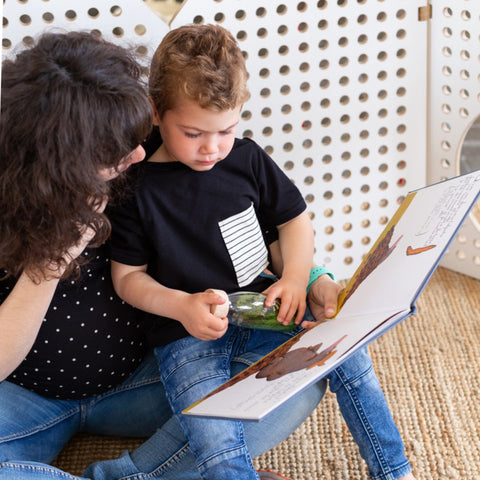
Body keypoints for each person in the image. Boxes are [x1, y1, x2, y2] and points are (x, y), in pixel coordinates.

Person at [0, 30, 335, 480]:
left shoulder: (141, 142)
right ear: (64, 161)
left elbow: (243, 221)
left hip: (148, 374)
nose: (139, 151)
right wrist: (51, 262)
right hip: (23, 396)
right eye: (119, 150)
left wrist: (309, 276)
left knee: (297, 372)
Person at [108, 24, 416, 480]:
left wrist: (295, 278)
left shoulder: (247, 157)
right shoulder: (137, 186)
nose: (212, 148)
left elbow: (295, 220)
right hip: (185, 332)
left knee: (347, 351)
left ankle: (394, 470)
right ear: (156, 111)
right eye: (193, 133)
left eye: (226, 130)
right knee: (212, 430)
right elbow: (127, 277)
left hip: (263, 303)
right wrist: (181, 305)